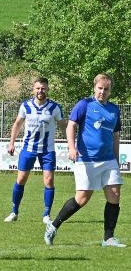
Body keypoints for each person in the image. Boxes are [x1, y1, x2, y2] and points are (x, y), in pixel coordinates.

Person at [45, 73, 125, 247]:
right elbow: (71, 126)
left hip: (108, 160)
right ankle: (54, 225)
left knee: (115, 196)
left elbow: (116, 136)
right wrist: (72, 148)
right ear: (94, 88)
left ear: (110, 91)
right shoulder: (84, 104)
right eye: (100, 88)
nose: (102, 92)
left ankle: (108, 238)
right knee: (81, 199)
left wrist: (116, 160)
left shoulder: (114, 110)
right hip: (86, 159)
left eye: (106, 89)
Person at [4, 77, 65, 224]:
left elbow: (63, 125)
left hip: (47, 150)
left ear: (47, 89)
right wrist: (11, 143)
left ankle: (46, 215)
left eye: (43, 88)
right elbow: (17, 124)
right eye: (38, 88)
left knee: (49, 180)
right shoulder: (25, 106)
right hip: (28, 149)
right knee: (21, 179)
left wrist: (71, 143)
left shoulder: (54, 107)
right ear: (33, 89)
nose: (40, 91)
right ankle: (14, 211)